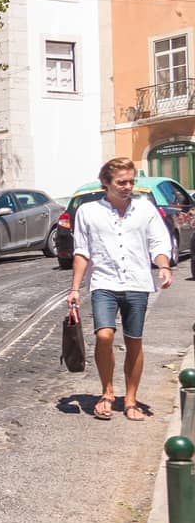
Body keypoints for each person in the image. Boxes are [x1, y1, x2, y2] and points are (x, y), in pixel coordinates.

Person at [69, 157, 174, 422]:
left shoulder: (145, 209)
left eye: (131, 181)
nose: (128, 187)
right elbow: (82, 252)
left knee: (133, 340)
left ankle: (130, 399)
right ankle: (107, 392)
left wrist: (163, 266)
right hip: (104, 282)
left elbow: (158, 242)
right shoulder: (87, 212)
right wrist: (74, 289)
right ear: (106, 183)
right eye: (121, 182)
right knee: (104, 335)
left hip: (137, 283)